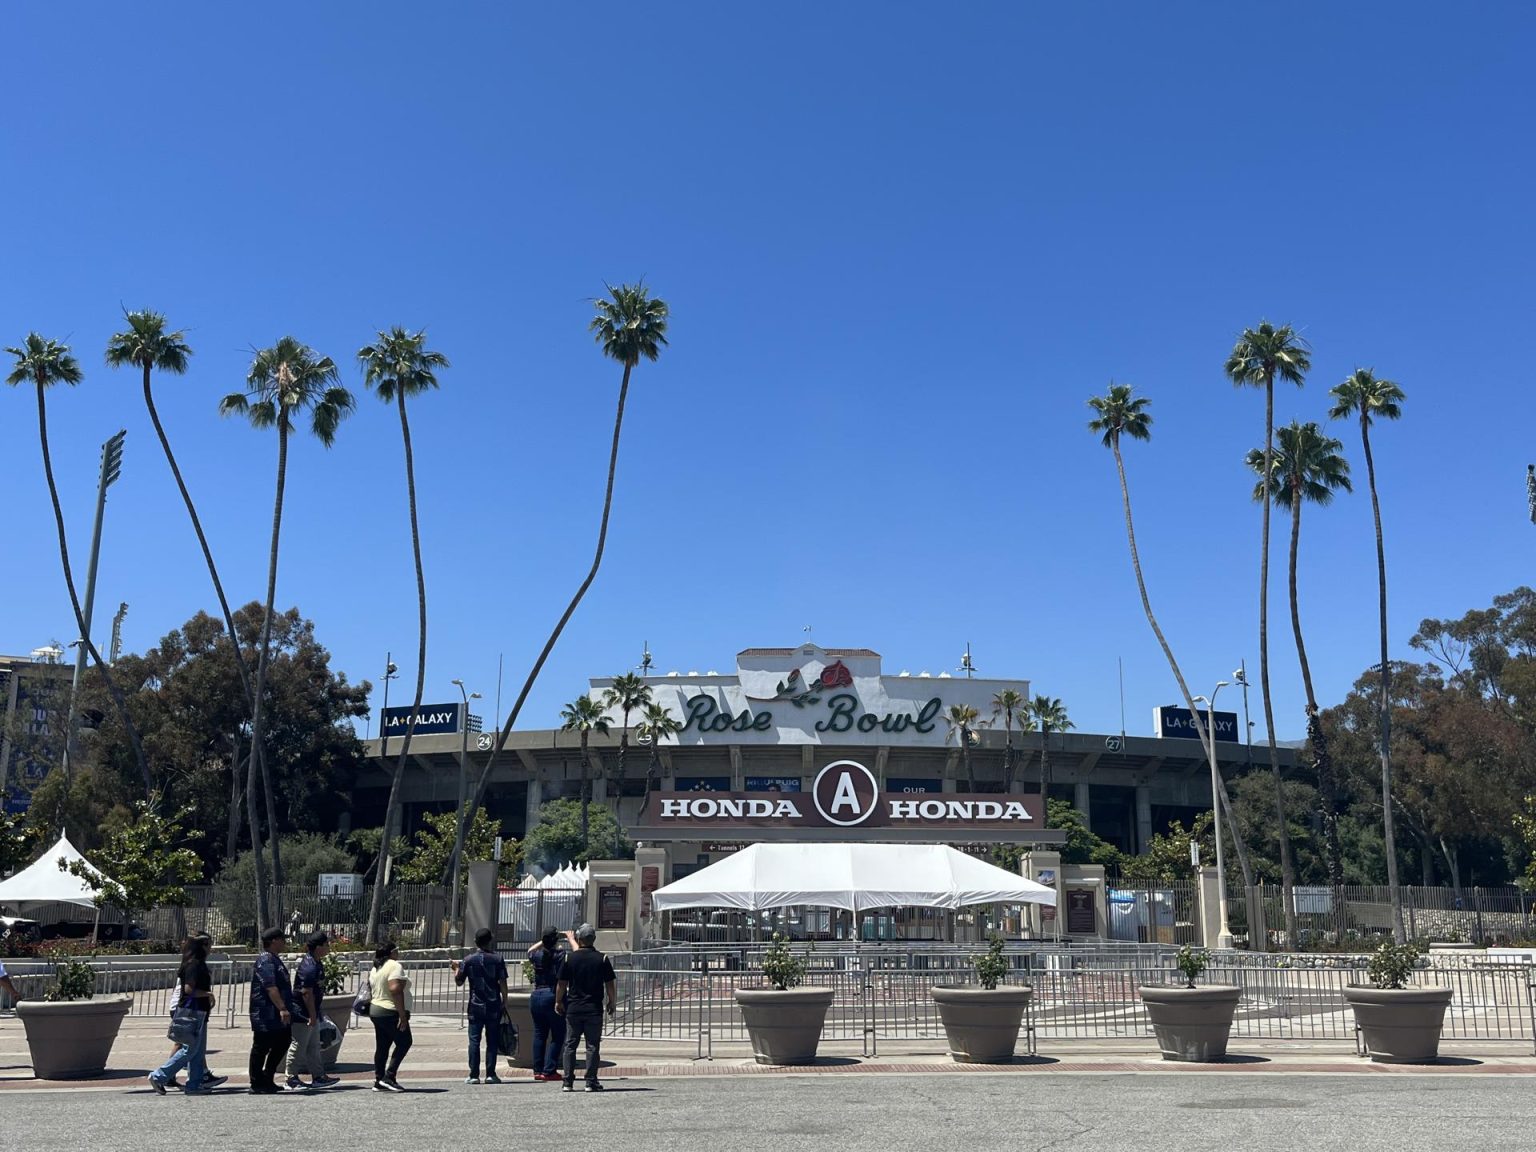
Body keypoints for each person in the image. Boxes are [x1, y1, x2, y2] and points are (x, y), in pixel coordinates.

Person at [150, 934, 217, 1095]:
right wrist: (208, 994)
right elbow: (189, 990)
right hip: (192, 1011)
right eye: (208, 945)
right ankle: (159, 1075)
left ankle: (194, 1084)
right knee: (190, 1049)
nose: (210, 949)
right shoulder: (193, 964)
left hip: (199, 1011)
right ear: (202, 946)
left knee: (198, 1051)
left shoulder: (196, 963)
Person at [555, 922, 615, 1092]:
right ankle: (591, 1080)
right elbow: (610, 983)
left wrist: (558, 1001)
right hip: (594, 1008)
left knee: (570, 1044)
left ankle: (568, 1081)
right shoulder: (602, 958)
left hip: (574, 1007)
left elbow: (561, 983)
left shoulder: (570, 958)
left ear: (579, 939)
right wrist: (612, 1001)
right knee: (592, 1045)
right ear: (593, 939)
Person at [451, 928, 508, 1084]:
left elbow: (459, 982)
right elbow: (503, 982)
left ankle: (474, 1074)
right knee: (492, 1040)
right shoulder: (497, 959)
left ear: (476, 942)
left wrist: (456, 969)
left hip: (475, 1004)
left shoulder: (468, 960)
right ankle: (491, 1073)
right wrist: (505, 1001)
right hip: (493, 1003)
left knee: (474, 1041)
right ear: (490, 940)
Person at [285, 931, 339, 1091]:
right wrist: (312, 1015)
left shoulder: (316, 962)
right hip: (302, 1012)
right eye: (326, 945)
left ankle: (318, 1076)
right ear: (318, 947)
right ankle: (291, 1078)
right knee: (299, 1044)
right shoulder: (309, 966)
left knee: (313, 1045)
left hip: (312, 1010)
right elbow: (306, 992)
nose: (328, 947)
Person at [248, 926, 296, 1095]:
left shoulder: (275, 959)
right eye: (282, 939)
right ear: (274, 941)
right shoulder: (265, 960)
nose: (284, 943)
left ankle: (268, 1076)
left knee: (284, 1041)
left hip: (275, 1014)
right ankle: (256, 1081)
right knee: (261, 1047)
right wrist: (282, 1008)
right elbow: (270, 987)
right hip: (265, 1013)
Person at [526, 927, 571, 1081]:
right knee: (558, 1035)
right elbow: (561, 981)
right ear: (556, 940)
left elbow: (529, 951)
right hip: (551, 994)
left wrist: (543, 940)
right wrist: (559, 1001)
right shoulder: (559, 955)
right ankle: (549, 1070)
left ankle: (537, 1070)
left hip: (536, 994)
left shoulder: (537, 955)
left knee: (539, 1034)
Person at [368, 940, 412, 1092]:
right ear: (392, 952)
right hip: (389, 1010)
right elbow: (395, 990)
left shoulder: (376, 967)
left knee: (382, 1045)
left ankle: (379, 1080)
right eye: (397, 950)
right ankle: (389, 1076)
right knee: (405, 1041)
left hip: (376, 1009)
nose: (398, 953)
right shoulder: (394, 965)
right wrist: (402, 1015)